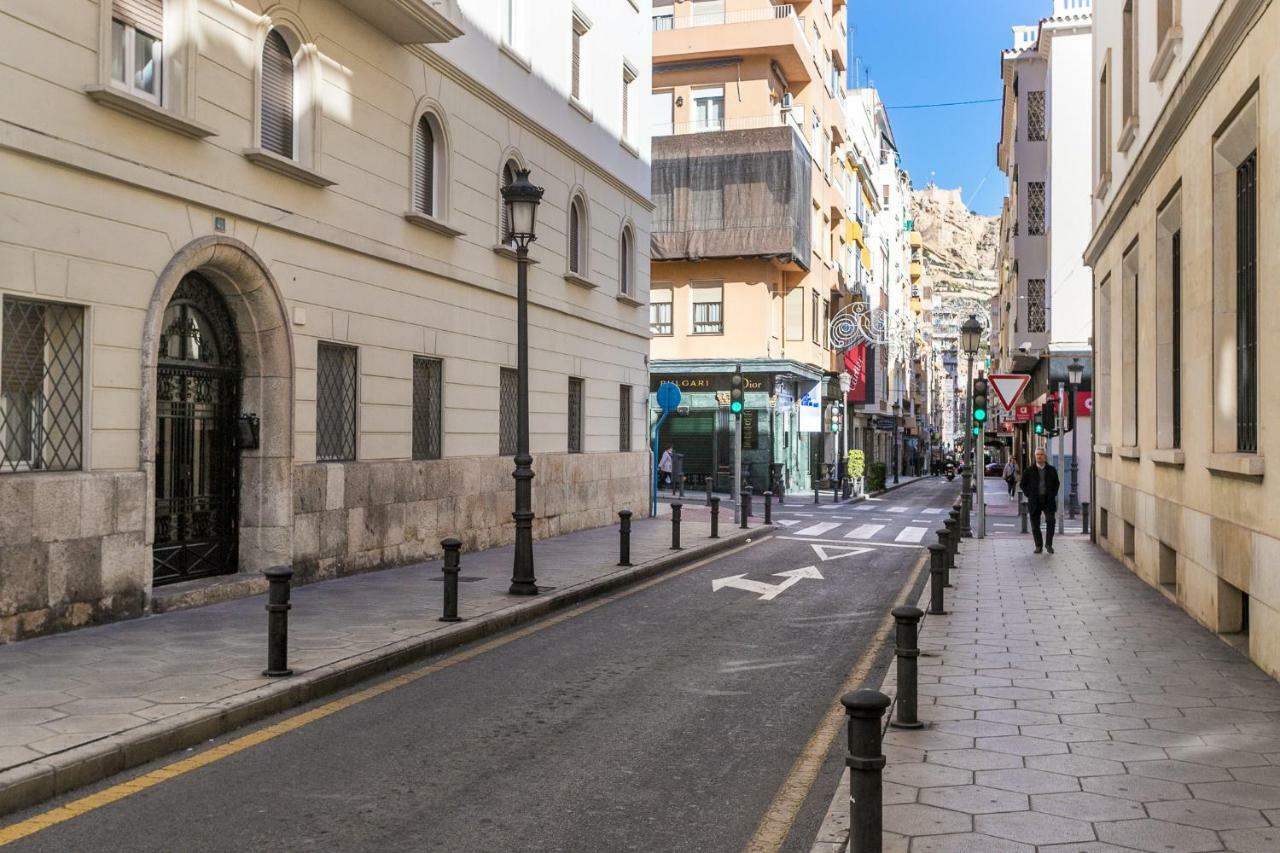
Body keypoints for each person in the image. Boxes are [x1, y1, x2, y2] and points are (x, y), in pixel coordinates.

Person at [1019, 448, 1060, 554]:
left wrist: (1052, 494)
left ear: (1045, 456)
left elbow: (1057, 483)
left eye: (1041, 454)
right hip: (1034, 500)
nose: (1039, 456)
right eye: (1037, 454)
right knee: (1035, 525)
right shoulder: (1029, 470)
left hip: (1048, 500)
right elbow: (1022, 484)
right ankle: (1038, 545)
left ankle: (1048, 544)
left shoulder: (1051, 470)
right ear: (1035, 456)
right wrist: (1029, 494)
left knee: (1051, 521)